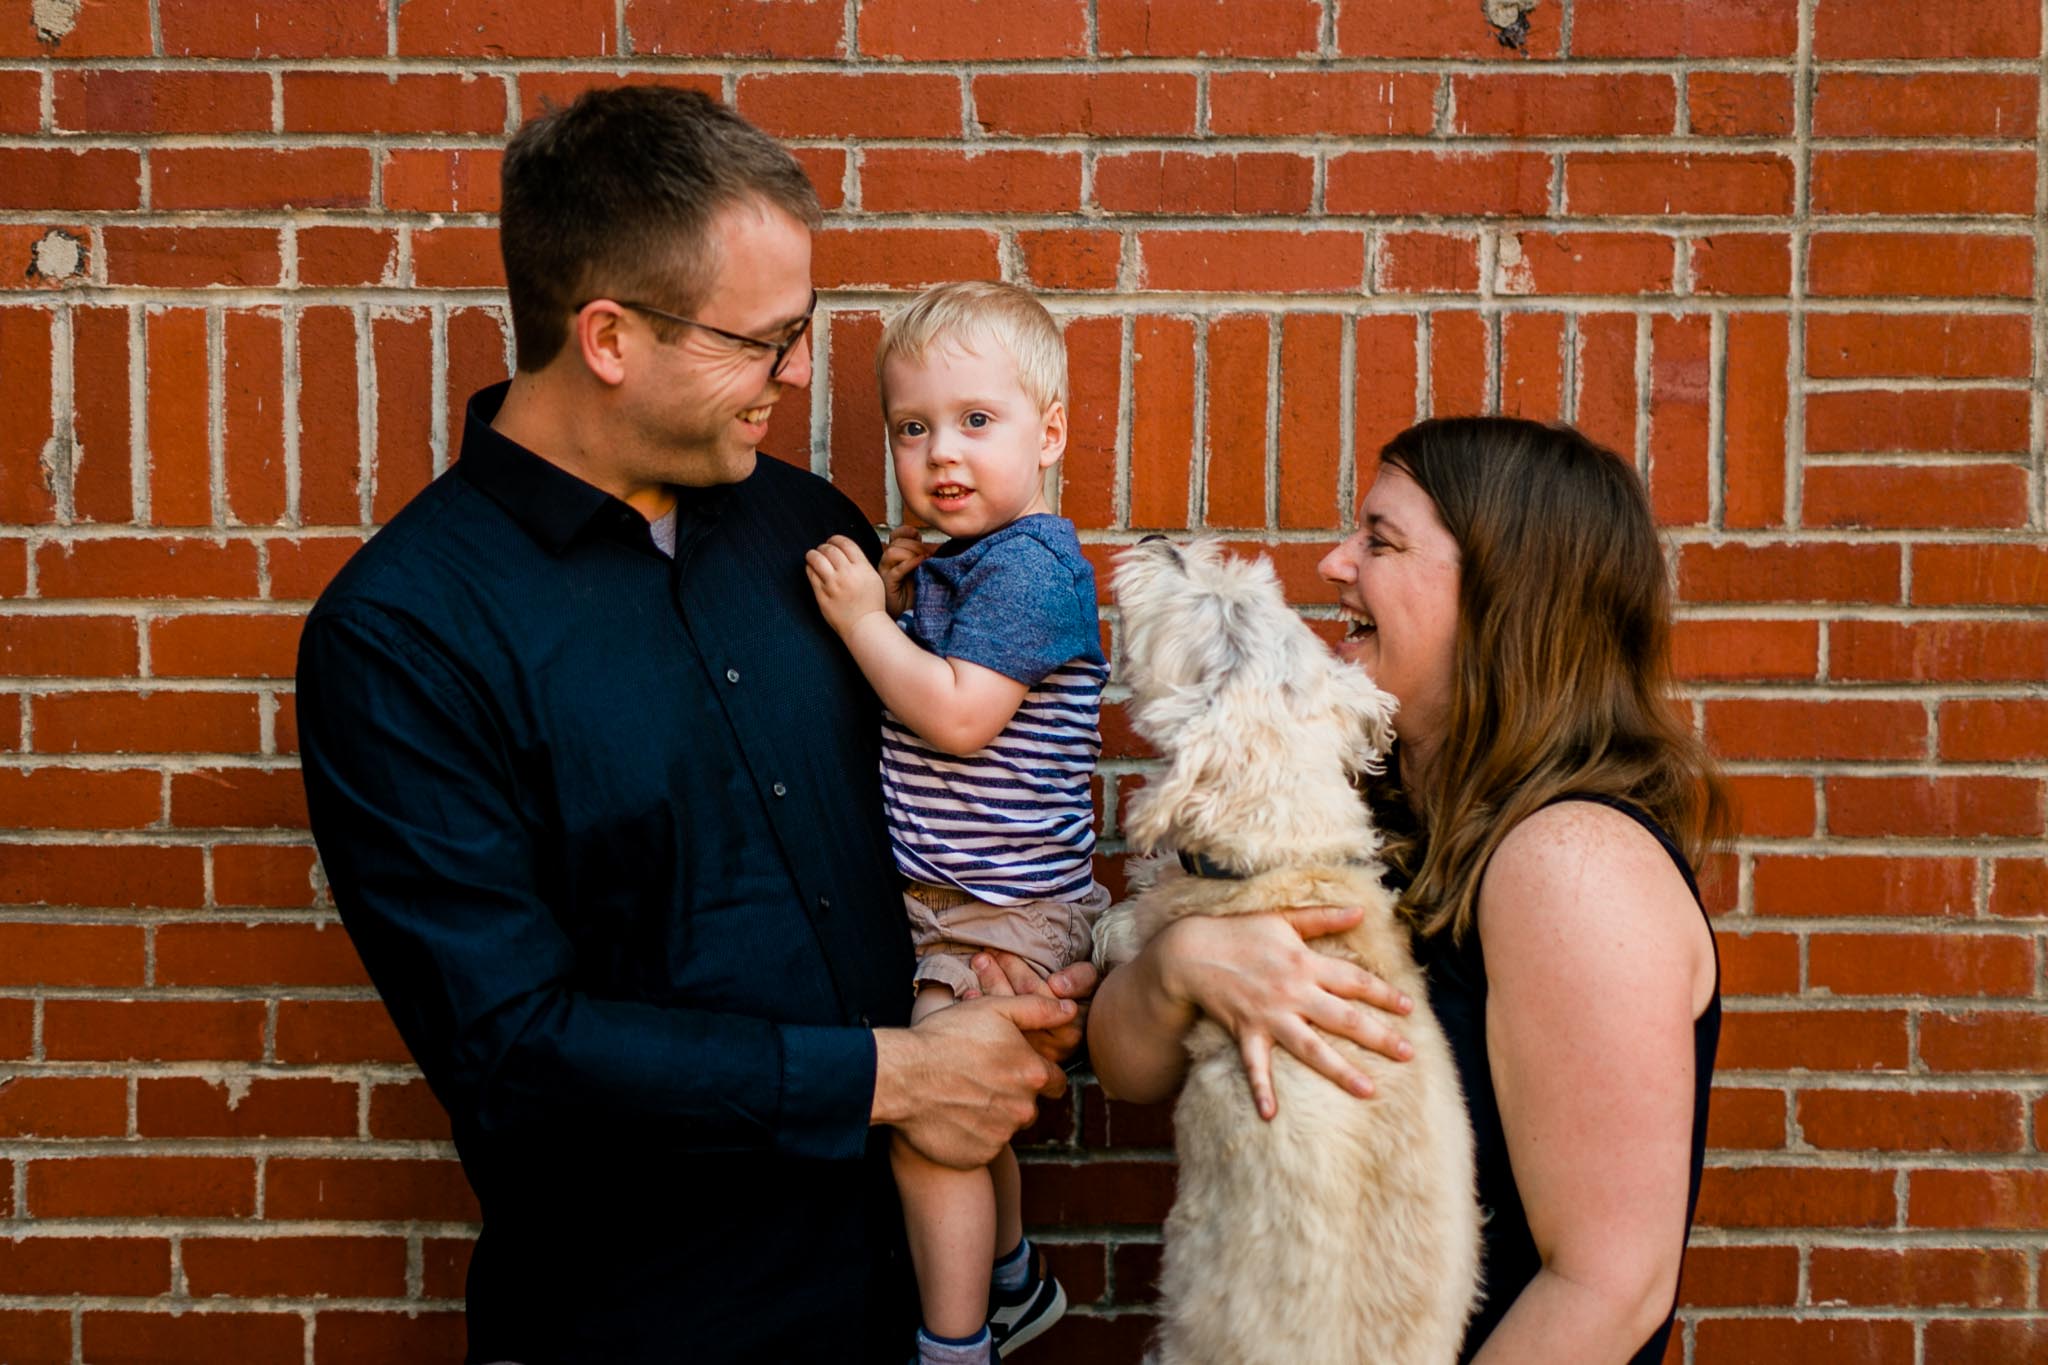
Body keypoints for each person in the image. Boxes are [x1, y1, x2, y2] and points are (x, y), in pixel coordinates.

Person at [294, 87, 1093, 1365]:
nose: (791, 374)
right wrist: (892, 1077)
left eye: (802, 330)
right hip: (648, 1322)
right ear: (608, 336)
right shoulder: (405, 636)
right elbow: (512, 1052)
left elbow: (948, 799)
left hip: (905, 1303)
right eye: (761, 342)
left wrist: (1015, 970)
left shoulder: (806, 530)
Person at [1084, 416, 1727, 1363]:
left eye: (1380, 541)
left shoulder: (1574, 862)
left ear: (1511, 593)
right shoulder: (1360, 809)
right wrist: (1181, 965)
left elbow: (1609, 1287)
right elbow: (1127, 1069)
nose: (1336, 564)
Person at [806, 282, 1110, 1365]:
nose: (943, 454)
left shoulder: (1031, 568)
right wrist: (895, 602)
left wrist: (855, 625)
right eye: (913, 427)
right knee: (972, 1108)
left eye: (978, 422)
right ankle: (1015, 1280)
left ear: (1050, 431)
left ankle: (953, 1344)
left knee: (931, 1129)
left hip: (1002, 913)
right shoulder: (958, 559)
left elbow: (958, 714)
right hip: (952, 901)